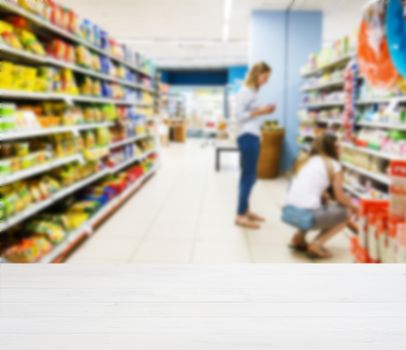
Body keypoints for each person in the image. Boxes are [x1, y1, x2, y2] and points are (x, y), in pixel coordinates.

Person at [283, 134, 357, 259]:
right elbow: (339, 197)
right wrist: (354, 207)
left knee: (317, 203)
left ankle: (298, 238)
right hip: (306, 216)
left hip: (288, 213)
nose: (340, 149)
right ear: (332, 148)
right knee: (346, 213)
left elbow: (313, 189)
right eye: (338, 146)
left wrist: (326, 197)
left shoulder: (306, 160)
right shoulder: (334, 165)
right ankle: (316, 244)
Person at [235, 62, 276, 229]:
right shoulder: (245, 92)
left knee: (251, 176)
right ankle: (239, 214)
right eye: (265, 77)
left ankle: (245, 209)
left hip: (252, 136)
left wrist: (263, 109)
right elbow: (239, 116)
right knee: (248, 176)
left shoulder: (253, 92)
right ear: (256, 74)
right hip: (247, 136)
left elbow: (250, 113)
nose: (266, 81)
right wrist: (261, 111)